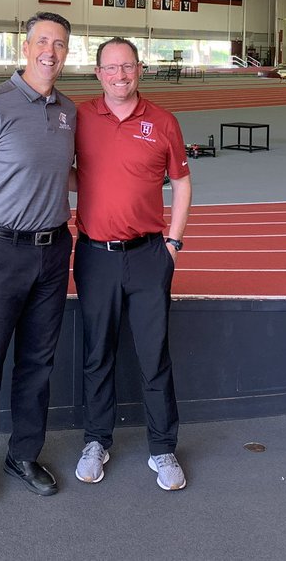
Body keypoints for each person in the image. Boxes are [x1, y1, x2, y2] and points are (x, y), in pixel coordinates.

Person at [0, 11, 76, 511]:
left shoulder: (68, 110)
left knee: (37, 365)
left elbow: (67, 176)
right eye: (42, 41)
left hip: (52, 253)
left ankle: (23, 455)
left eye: (60, 44)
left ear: (67, 53)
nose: (51, 50)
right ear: (25, 48)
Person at [72, 37, 192, 490]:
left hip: (147, 257)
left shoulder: (162, 122)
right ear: (98, 73)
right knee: (96, 353)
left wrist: (173, 244)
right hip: (94, 255)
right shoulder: (80, 117)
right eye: (111, 68)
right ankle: (96, 440)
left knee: (154, 355)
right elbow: (63, 168)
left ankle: (163, 449)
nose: (120, 75)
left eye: (127, 67)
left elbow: (181, 183)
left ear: (139, 70)